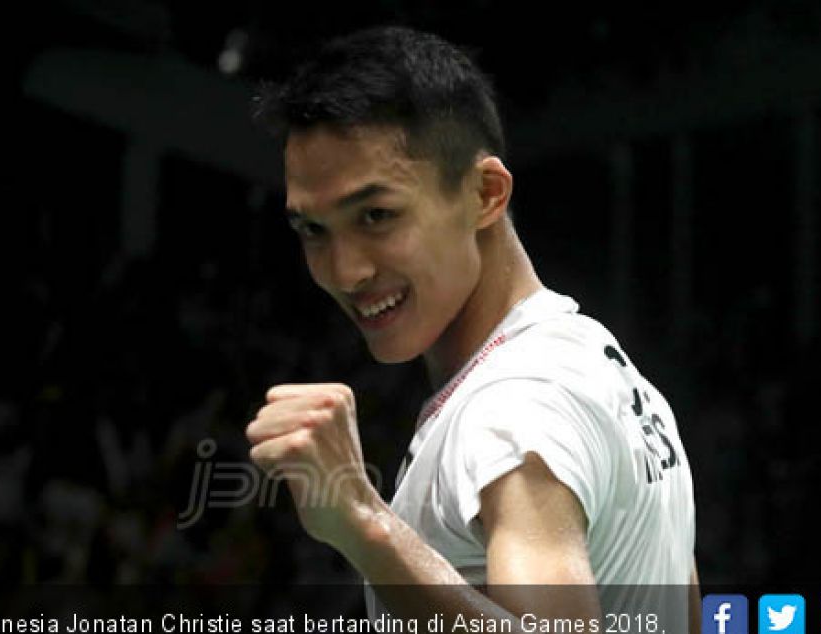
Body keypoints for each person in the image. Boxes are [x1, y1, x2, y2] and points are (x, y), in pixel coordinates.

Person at [245, 26, 698, 631]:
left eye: (377, 215)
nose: (346, 271)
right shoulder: (608, 367)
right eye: (313, 230)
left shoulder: (514, 408)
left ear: (485, 193)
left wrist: (362, 522)